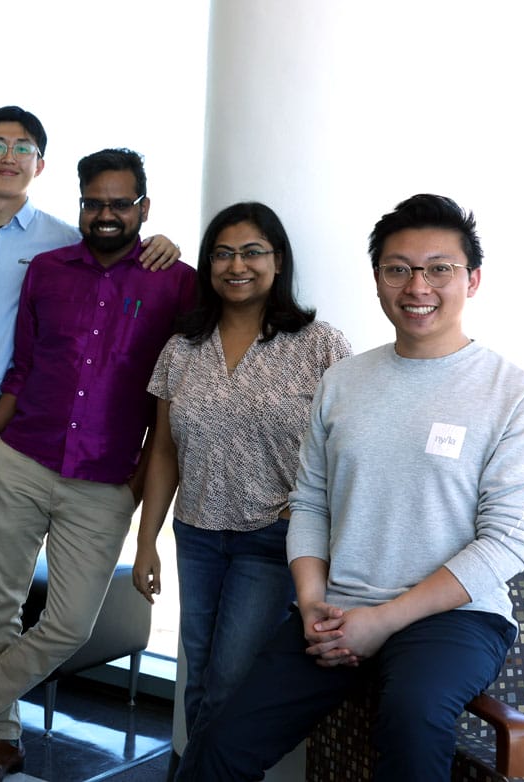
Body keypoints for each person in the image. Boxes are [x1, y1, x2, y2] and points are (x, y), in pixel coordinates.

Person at [175, 194, 524, 781]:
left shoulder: (513, 393)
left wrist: (384, 620)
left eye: (439, 269)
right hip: (337, 607)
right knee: (221, 741)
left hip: (454, 618)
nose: (417, 285)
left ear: (472, 280)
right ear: (378, 279)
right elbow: (310, 501)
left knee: (413, 717)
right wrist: (310, 600)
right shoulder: (344, 381)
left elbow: (506, 542)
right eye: (397, 268)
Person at [0, 148, 197, 782]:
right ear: (80, 203)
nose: (105, 214)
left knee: (70, 623)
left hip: (105, 482)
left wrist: (143, 501)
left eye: (119, 204)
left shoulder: (175, 281)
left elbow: (181, 386)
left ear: (143, 209)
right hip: (20, 458)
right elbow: (21, 366)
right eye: (93, 202)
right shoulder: (47, 270)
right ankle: (2, 738)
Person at [131, 203, 351, 746]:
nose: (237, 265)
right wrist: (145, 541)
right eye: (223, 253)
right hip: (198, 533)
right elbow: (163, 450)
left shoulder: (320, 345)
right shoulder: (182, 348)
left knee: (229, 680)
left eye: (253, 252)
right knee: (200, 674)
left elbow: (350, 450)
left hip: (273, 537)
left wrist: (316, 521)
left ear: (278, 261)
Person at [0, 106, 181, 541]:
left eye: (22, 148)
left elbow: (119, 256)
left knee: (2, 544)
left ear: (39, 165)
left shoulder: (65, 241)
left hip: (16, 415)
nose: (8, 156)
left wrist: (163, 242)